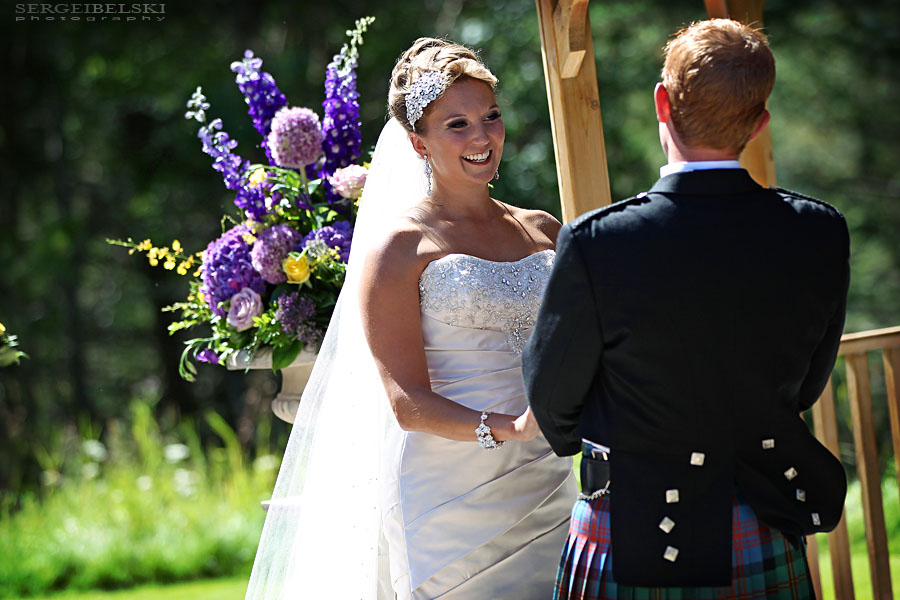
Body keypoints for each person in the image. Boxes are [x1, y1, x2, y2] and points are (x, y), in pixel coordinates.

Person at [523, 19, 849, 600]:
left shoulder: (599, 240)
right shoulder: (819, 232)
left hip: (629, 522)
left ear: (661, 104)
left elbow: (553, 400)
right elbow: (805, 385)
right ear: (759, 122)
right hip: (764, 512)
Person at [245, 38, 576, 600]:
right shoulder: (398, 246)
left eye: (490, 117)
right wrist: (510, 428)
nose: (482, 137)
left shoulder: (544, 229)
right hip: (453, 492)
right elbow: (405, 402)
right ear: (418, 143)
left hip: (553, 476)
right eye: (458, 124)